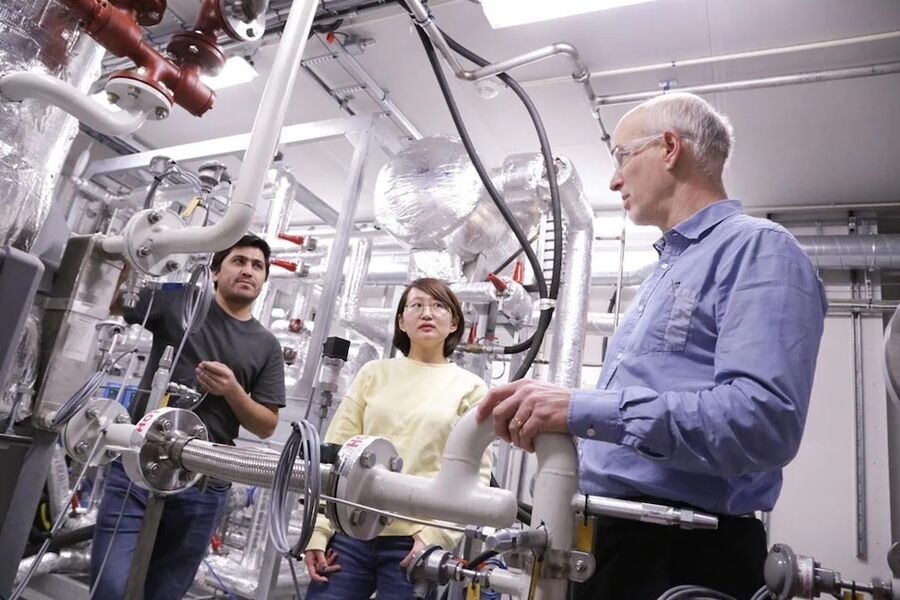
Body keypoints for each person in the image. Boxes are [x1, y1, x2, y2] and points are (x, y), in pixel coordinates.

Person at [476, 92, 828, 599]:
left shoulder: (759, 249)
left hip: (680, 550)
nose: (614, 179)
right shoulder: (666, 271)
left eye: (621, 157)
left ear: (669, 148)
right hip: (614, 537)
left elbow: (763, 420)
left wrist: (580, 409)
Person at [91, 233, 286, 600]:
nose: (248, 271)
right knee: (110, 585)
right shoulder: (180, 302)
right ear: (214, 272)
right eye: (238, 261)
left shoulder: (266, 345)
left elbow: (266, 425)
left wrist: (232, 391)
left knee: (165, 592)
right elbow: (117, 302)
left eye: (257, 266)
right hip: (137, 465)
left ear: (264, 279)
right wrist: (133, 248)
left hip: (204, 483)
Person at [304, 278, 490, 600]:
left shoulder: (470, 388)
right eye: (416, 305)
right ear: (402, 322)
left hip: (415, 542)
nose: (427, 313)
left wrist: (436, 536)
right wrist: (318, 532)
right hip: (350, 530)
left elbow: (475, 474)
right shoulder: (374, 374)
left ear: (454, 322)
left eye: (438, 306)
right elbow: (335, 453)